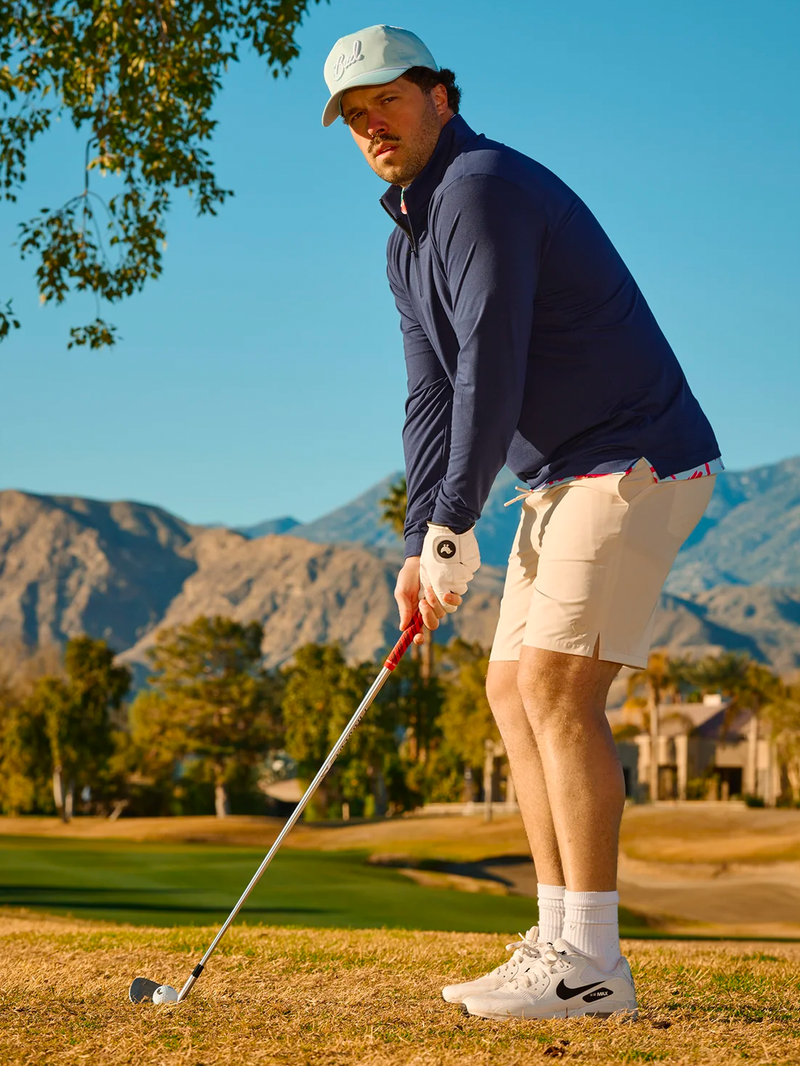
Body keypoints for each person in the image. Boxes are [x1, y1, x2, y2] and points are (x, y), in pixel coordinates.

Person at [322, 25, 722, 1021]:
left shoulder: (480, 188)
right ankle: (557, 941)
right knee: (510, 688)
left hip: (631, 457)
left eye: (388, 100)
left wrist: (457, 522)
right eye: (354, 115)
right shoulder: (404, 237)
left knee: (552, 685)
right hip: (559, 474)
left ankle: (590, 963)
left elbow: (487, 368)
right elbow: (428, 397)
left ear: (439, 95)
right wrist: (422, 538)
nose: (373, 123)